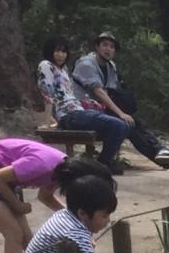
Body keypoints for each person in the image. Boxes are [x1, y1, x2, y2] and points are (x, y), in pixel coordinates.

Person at [72, 33, 169, 168]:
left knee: (133, 121)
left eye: (112, 47)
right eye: (105, 45)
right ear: (97, 47)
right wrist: (120, 113)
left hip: (101, 110)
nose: (108, 49)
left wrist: (122, 111)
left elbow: (111, 91)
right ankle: (104, 163)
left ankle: (161, 152)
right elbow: (99, 92)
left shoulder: (110, 66)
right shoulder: (86, 64)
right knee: (125, 121)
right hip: (83, 112)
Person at [39, 36, 132, 169]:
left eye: (64, 52)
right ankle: (100, 165)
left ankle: (100, 164)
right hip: (68, 115)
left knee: (123, 125)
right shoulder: (46, 65)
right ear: (50, 51)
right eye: (57, 51)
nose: (61, 55)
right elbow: (47, 94)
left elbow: (69, 95)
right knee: (119, 125)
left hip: (79, 111)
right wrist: (49, 122)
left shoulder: (63, 70)